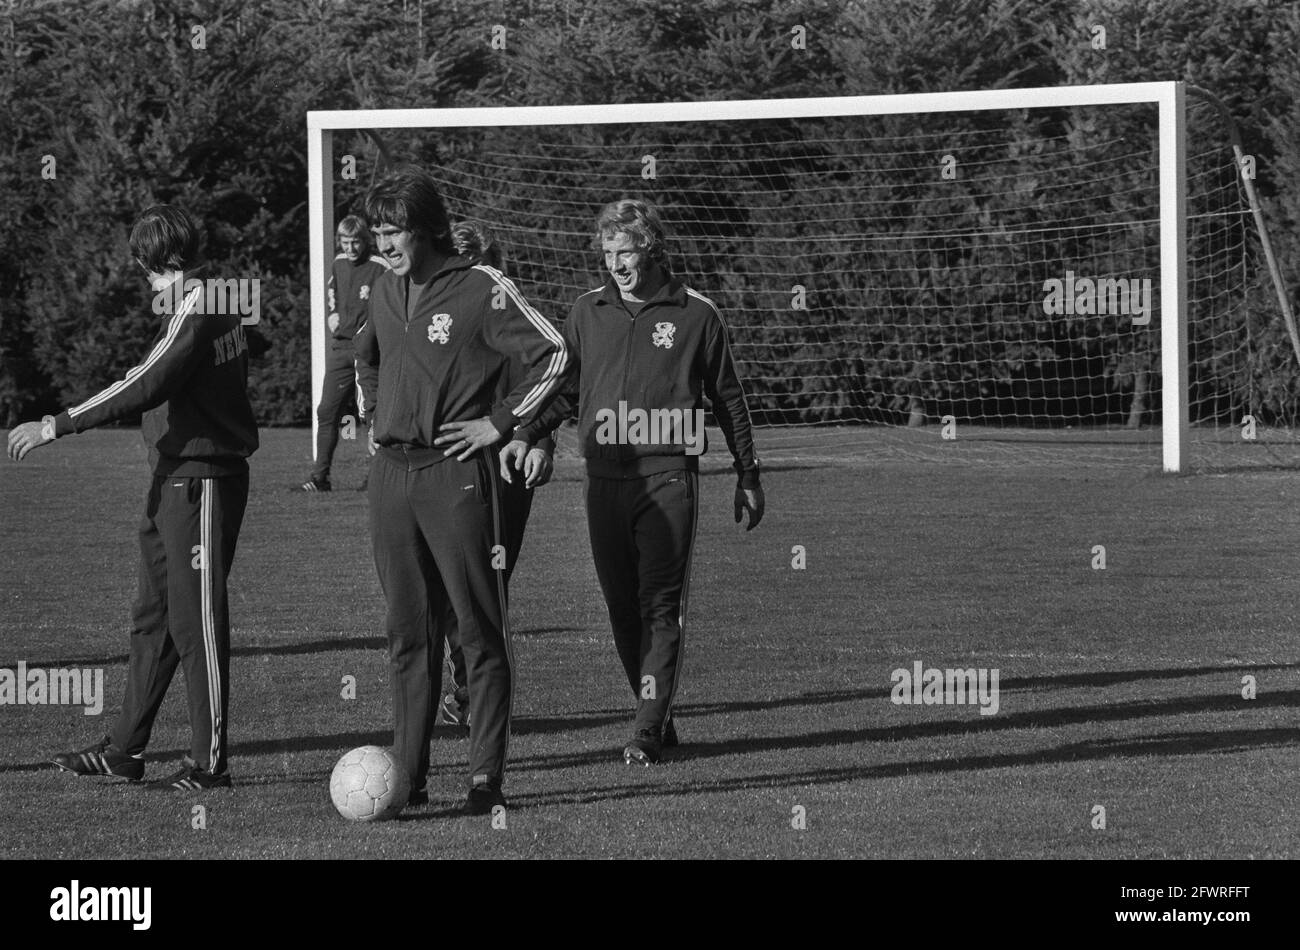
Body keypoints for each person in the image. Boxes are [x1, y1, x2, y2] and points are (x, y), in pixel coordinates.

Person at [504, 198, 764, 766]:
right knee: (621, 609)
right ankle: (657, 711)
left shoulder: (696, 313)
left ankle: (645, 729)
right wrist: (525, 432)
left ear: (652, 246)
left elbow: (728, 398)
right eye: (607, 251)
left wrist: (748, 472)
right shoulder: (586, 311)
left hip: (668, 477)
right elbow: (566, 391)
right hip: (602, 481)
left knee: (658, 607)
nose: (615, 262)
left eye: (626, 250)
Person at [6, 204, 258, 790]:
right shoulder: (221, 296)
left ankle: (210, 761)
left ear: (159, 260)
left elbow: (145, 382)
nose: (145, 282)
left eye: (145, 269)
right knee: (154, 618)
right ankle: (125, 749)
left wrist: (57, 424)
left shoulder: (198, 304)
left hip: (202, 480)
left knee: (197, 623)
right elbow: (164, 373)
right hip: (174, 476)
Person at [356, 169, 568, 814]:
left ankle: (484, 779)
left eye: (395, 232)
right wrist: (373, 415)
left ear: (428, 229)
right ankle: (409, 779)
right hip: (391, 478)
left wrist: (500, 424)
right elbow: (363, 356)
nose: (385, 245)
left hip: (455, 476)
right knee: (407, 634)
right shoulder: (383, 292)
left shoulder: (483, 288)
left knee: (477, 628)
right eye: (378, 233)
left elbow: (555, 355)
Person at [434, 221, 556, 728]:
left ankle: (476, 698)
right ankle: (465, 688)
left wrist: (540, 441)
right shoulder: (434, 313)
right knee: (438, 592)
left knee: (483, 590)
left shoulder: (518, 320)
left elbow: (551, 383)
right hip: (437, 466)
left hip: (502, 469)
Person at [301, 214, 389, 492]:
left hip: (368, 352)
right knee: (327, 411)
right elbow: (332, 292)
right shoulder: (338, 263)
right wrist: (332, 314)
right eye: (345, 242)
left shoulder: (380, 267)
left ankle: (377, 477)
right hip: (340, 348)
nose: (350, 248)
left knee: (371, 413)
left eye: (355, 242)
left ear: (366, 241)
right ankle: (319, 478)